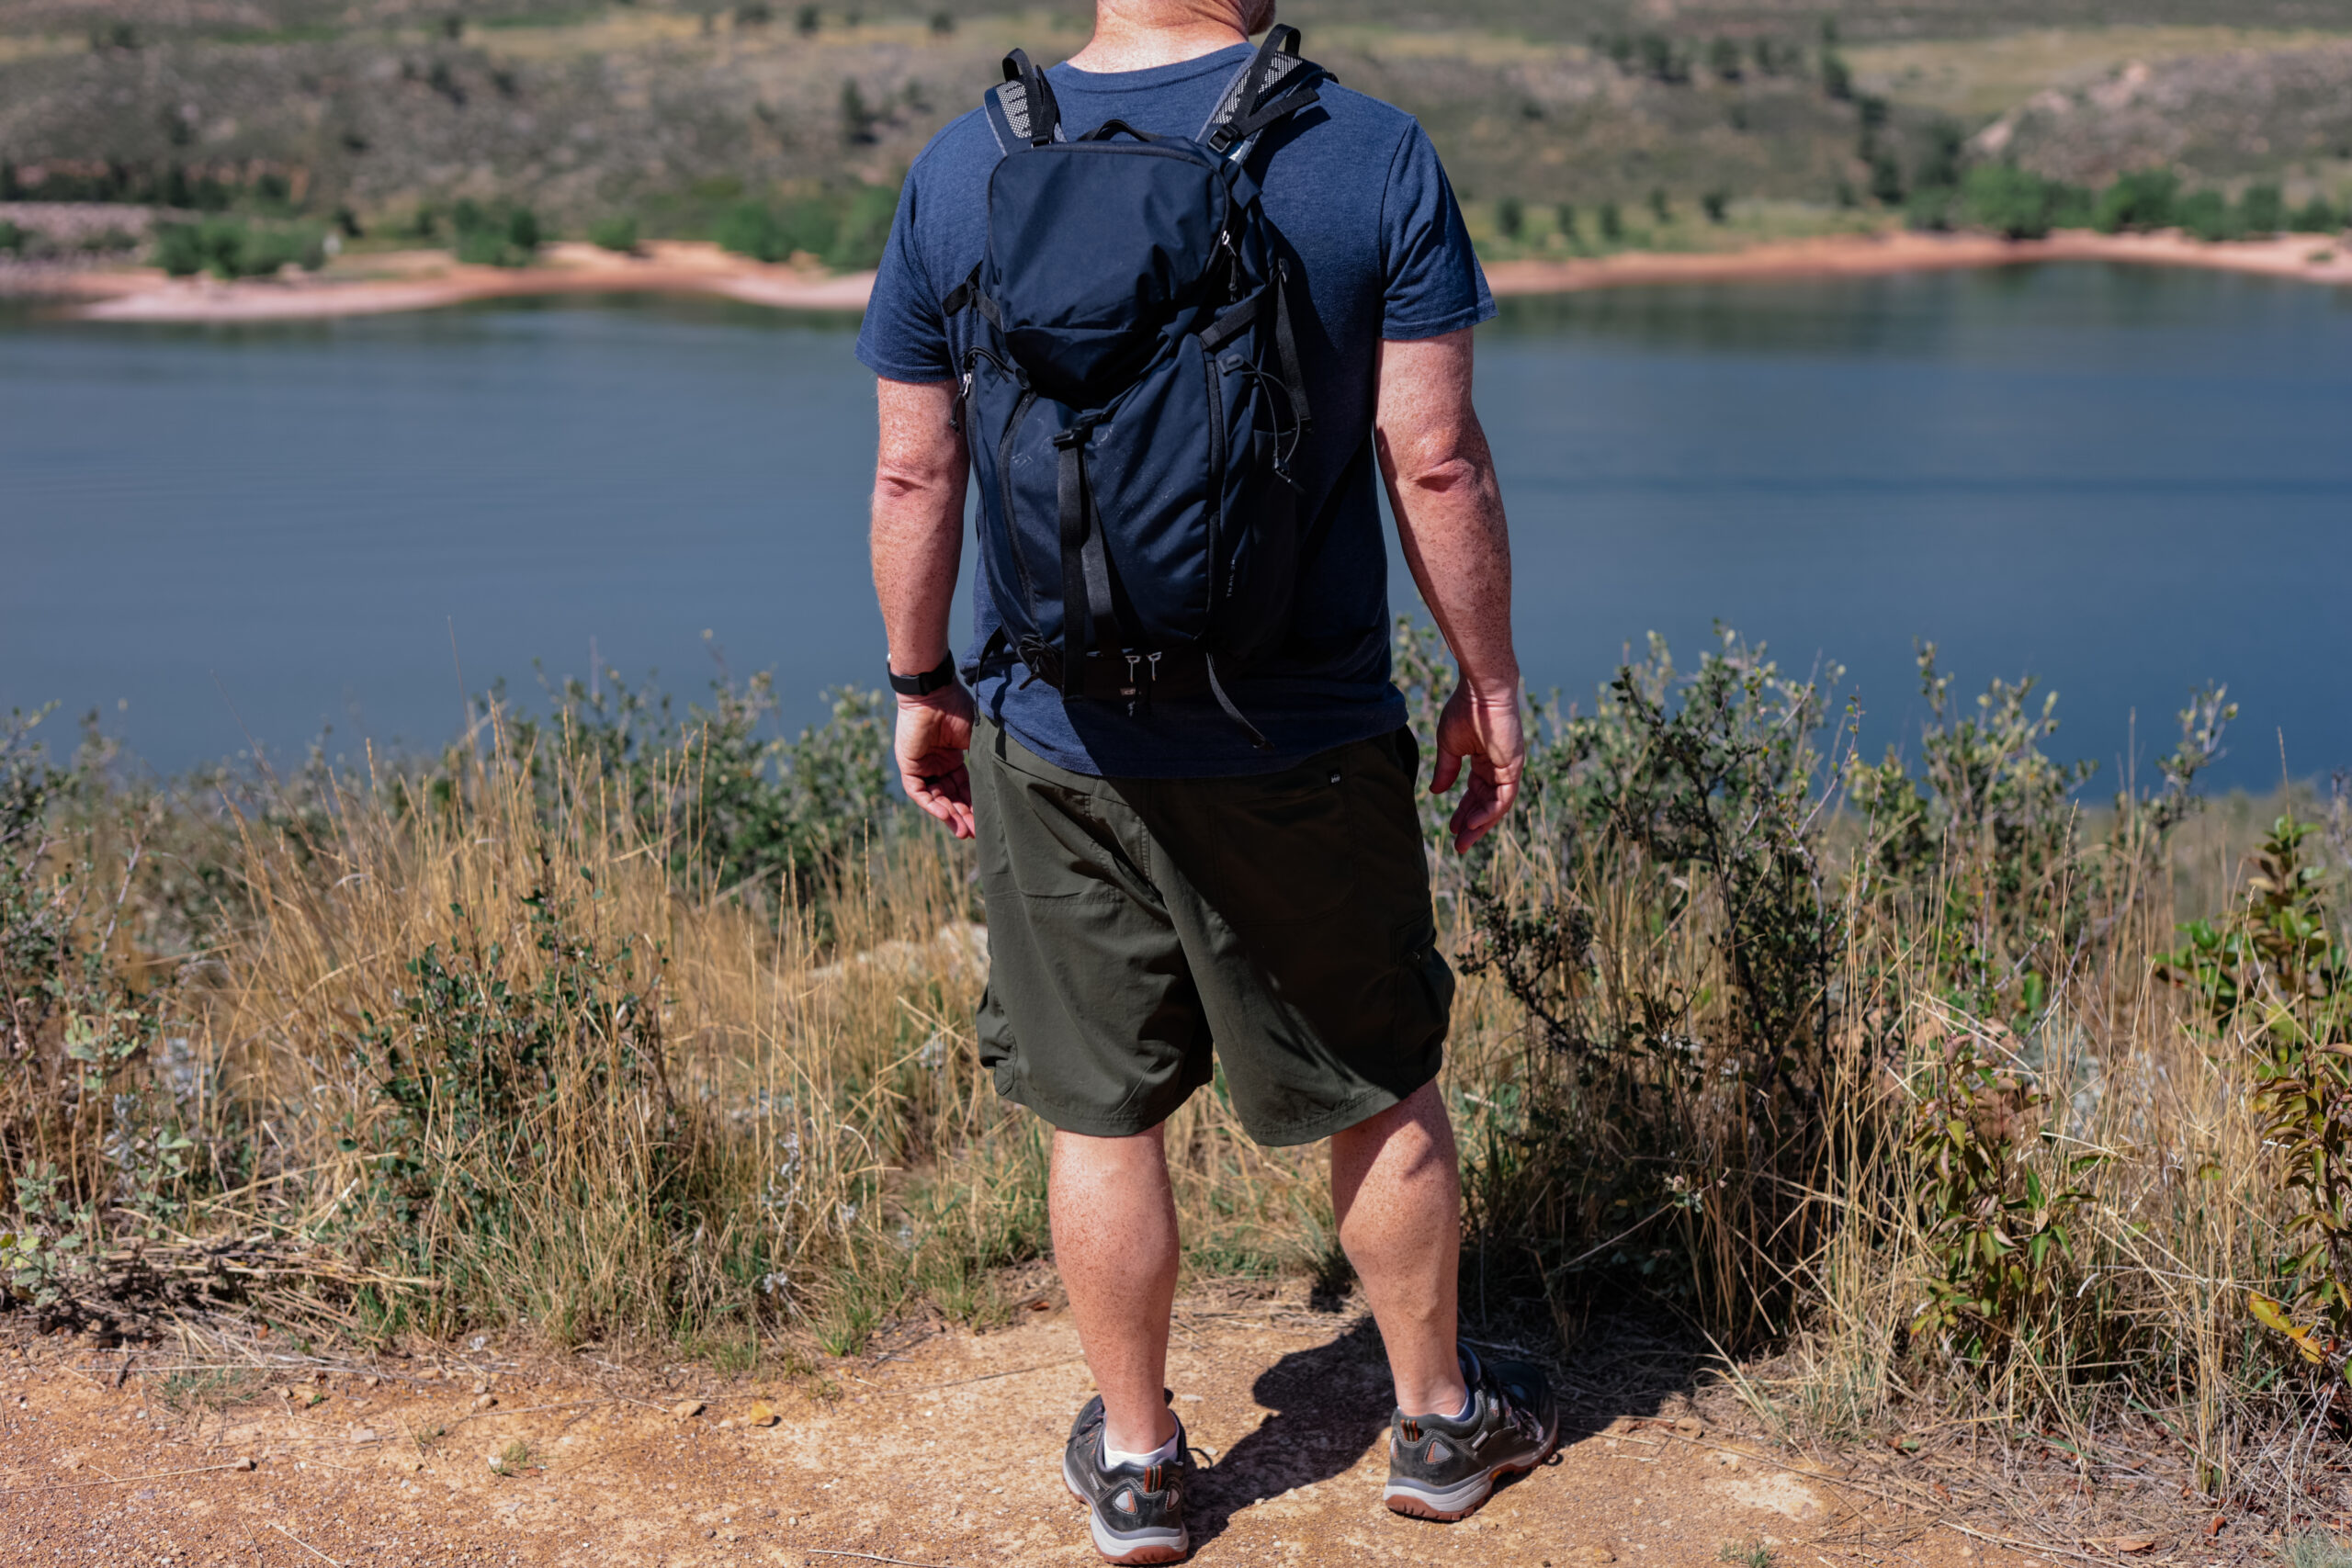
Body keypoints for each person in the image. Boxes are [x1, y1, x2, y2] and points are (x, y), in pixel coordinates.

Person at [855, 0, 1554, 1559]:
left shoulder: (966, 167)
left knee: (1101, 1114)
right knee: (1375, 1078)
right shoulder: (1360, 151)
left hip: (1057, 731)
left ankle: (1148, 1464)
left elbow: (917, 468)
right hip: (1298, 729)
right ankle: (1440, 1424)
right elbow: (1432, 455)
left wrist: (922, 682)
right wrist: (1487, 678)